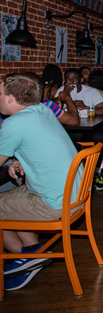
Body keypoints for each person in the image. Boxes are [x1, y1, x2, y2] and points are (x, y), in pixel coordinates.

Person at [0, 73, 82, 291]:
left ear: (10, 98)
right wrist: (19, 159)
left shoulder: (13, 124)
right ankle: (31, 250)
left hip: (54, 202)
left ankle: (28, 259)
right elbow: (38, 142)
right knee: (8, 197)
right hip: (74, 194)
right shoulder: (43, 110)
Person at [56, 68, 103, 190]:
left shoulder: (91, 92)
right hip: (69, 129)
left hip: (89, 129)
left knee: (100, 136)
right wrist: (63, 96)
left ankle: (96, 173)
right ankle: (71, 176)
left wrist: (86, 107)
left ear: (80, 79)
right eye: (68, 79)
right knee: (58, 139)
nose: (71, 82)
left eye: (74, 79)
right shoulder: (62, 91)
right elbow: (52, 108)